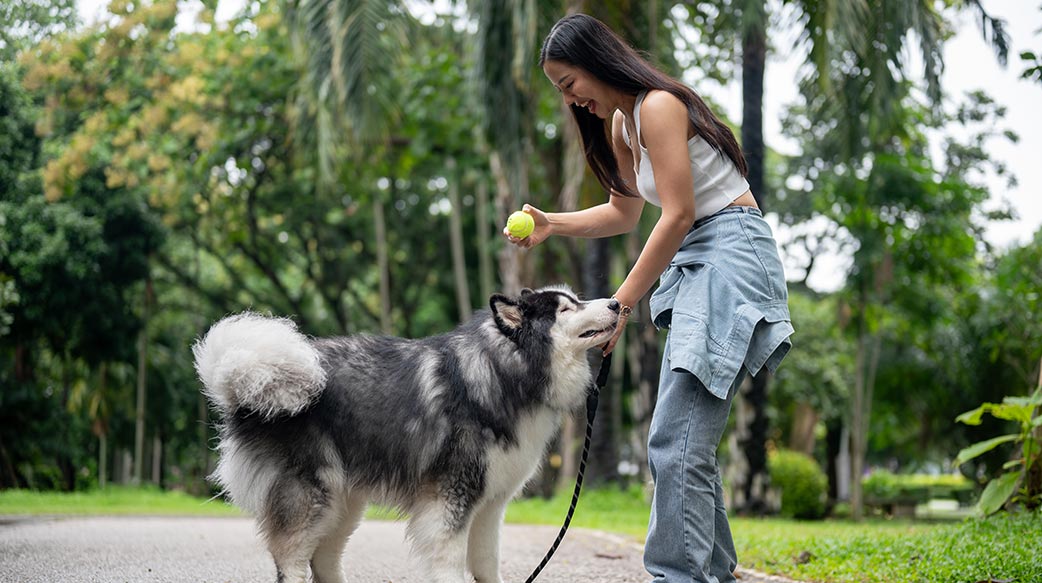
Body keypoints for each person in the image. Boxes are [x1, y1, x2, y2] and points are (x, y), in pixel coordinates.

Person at [503, 13, 794, 583]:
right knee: (682, 435)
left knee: (675, 436)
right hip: (697, 257)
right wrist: (551, 224)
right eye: (561, 90)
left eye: (569, 83)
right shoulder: (622, 126)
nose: (570, 99)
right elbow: (624, 213)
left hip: (730, 251)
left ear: (595, 60)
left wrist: (619, 306)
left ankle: (678, 575)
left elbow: (680, 213)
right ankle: (713, 569)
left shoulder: (660, 105)